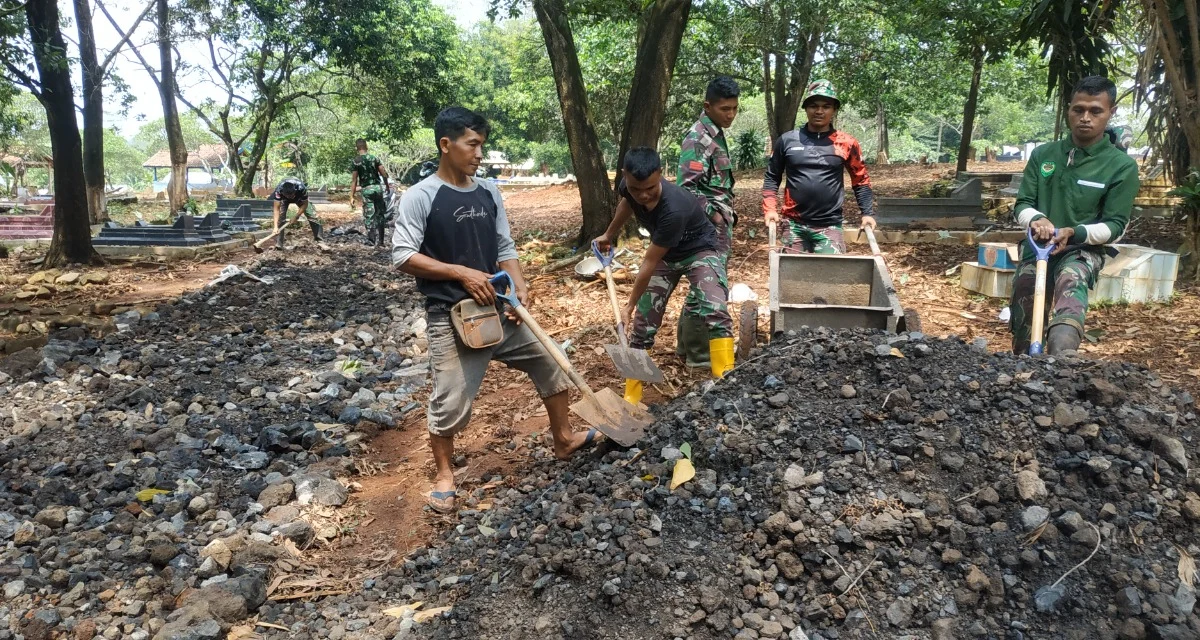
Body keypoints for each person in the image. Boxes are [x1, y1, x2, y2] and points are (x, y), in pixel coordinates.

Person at [391, 107, 597, 514]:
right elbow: (402, 255)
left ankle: (564, 439)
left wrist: (518, 287)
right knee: (450, 401)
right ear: (446, 145)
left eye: (481, 145)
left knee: (553, 362)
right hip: (454, 317)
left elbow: (504, 247)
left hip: (501, 310)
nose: (479, 153)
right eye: (472, 144)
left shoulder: (488, 191)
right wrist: (460, 273)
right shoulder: (421, 196)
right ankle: (445, 475)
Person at [592, 147, 735, 406]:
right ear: (625, 176)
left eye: (650, 187)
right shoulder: (629, 185)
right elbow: (627, 202)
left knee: (715, 309)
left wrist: (628, 305)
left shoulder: (674, 208)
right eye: (637, 188)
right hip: (667, 255)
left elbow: (649, 261)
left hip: (698, 250)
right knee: (643, 325)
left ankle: (725, 387)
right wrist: (609, 234)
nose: (643, 195)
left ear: (660, 173)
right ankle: (631, 399)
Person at [1009, 76, 1140, 355]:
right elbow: (1022, 204)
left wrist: (1074, 232)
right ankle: (1021, 365)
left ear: (1111, 113)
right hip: (1038, 248)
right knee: (1026, 290)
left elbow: (1115, 225)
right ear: (1068, 109)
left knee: (1072, 280)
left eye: (1095, 111)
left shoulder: (1121, 167)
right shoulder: (1044, 155)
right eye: (1078, 109)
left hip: (1081, 250)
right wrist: (1037, 220)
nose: (1085, 118)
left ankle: (1061, 362)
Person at [762, 79, 876, 254]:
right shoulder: (787, 140)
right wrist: (770, 209)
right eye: (814, 105)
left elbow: (860, 181)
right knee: (790, 277)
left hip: (829, 225)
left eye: (826, 106)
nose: (819, 111)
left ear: (834, 110)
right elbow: (772, 177)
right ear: (806, 108)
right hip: (793, 225)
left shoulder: (846, 143)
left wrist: (867, 213)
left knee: (829, 276)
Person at [675, 75, 740, 369]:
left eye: (734, 109)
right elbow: (686, 190)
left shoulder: (715, 132)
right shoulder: (698, 139)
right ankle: (699, 354)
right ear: (708, 105)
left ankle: (685, 347)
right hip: (706, 225)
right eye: (725, 109)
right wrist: (714, 215)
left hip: (717, 220)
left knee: (704, 286)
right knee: (709, 287)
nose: (731, 115)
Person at [349, 138, 391, 248]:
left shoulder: (356, 161)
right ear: (366, 146)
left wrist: (351, 196)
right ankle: (381, 241)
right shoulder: (374, 158)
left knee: (369, 214)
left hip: (367, 190)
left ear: (357, 148)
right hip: (378, 188)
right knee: (380, 214)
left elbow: (354, 180)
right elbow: (384, 173)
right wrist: (386, 186)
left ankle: (372, 240)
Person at [271, 177, 322, 249]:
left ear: (294, 190)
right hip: (284, 200)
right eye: (288, 196)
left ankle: (320, 241)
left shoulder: (301, 188)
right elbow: (276, 209)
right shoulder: (278, 191)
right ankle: (279, 245)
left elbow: (305, 204)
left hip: (298, 198)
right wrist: (275, 227)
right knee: (280, 218)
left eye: (291, 195)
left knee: (313, 215)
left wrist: (296, 216)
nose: (290, 197)